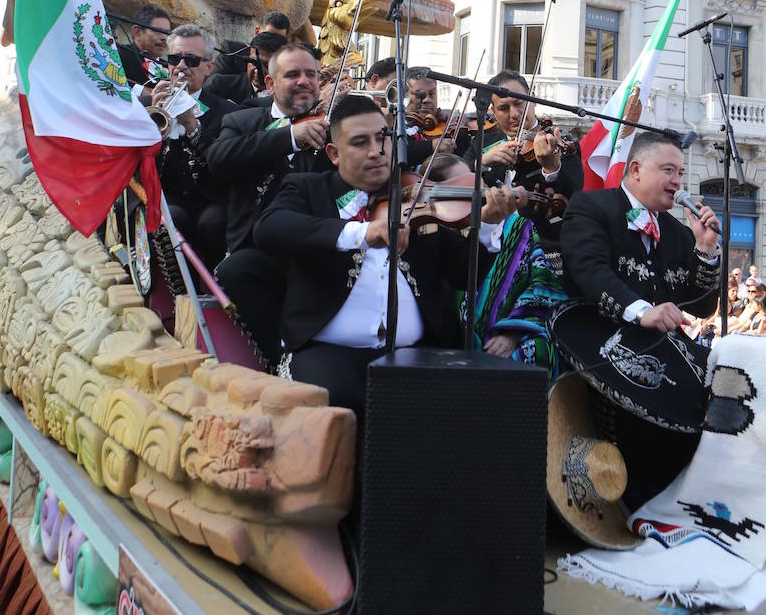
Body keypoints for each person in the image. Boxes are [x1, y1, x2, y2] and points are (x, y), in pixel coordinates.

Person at [253, 95, 522, 420]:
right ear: (334, 154)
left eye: (384, 139)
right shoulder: (308, 189)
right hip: (329, 351)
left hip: (416, 353)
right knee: (336, 406)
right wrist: (362, 233)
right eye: (360, 142)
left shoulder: (417, 196)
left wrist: (487, 226)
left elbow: (465, 275)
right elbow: (270, 228)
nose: (376, 152)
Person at [556, 132, 721, 506]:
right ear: (635, 170)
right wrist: (643, 311)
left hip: (665, 351)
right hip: (600, 340)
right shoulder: (592, 206)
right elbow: (588, 269)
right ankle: (631, 501)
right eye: (668, 170)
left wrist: (705, 251)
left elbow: (703, 306)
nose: (678, 181)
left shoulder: (678, 232)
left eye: (680, 172)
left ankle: (675, 500)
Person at [207, 43, 333, 364]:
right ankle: (279, 358)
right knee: (233, 272)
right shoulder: (243, 120)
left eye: (311, 75)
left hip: (314, 246)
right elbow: (219, 159)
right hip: (256, 247)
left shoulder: (332, 126)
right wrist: (291, 136)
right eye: (292, 75)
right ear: (270, 84)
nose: (304, 81)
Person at [151, 25, 234, 270]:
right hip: (169, 198)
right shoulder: (150, 103)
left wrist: (191, 124)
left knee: (213, 221)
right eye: (175, 59)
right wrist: (150, 122)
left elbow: (224, 164)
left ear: (209, 67)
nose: (181, 66)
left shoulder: (228, 112)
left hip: (210, 199)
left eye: (192, 60)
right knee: (171, 218)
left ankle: (211, 290)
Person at [464, 69, 583, 238]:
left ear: (533, 99)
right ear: (493, 111)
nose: (514, 115)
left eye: (519, 103)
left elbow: (573, 195)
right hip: (491, 247)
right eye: (504, 108)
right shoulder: (482, 142)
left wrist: (551, 169)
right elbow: (457, 172)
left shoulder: (560, 142)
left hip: (542, 244)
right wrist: (482, 162)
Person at [117, 4, 171, 90]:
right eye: (157, 31)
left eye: (167, 33)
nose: (164, 38)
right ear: (137, 32)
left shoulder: (170, 68)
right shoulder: (118, 56)